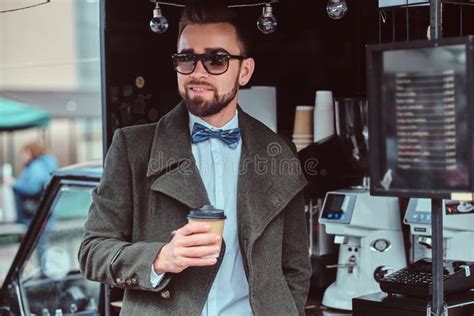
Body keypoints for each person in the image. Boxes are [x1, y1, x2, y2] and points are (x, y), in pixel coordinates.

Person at [78, 1, 311, 315]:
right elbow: (92, 252)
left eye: (216, 59)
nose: (198, 72)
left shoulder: (278, 151)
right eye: (187, 58)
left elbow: (295, 267)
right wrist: (160, 258)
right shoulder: (133, 147)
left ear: (244, 71)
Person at [11, 141, 58, 225]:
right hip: (41, 214)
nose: (22, 157)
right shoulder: (43, 165)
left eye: (24, 153)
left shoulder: (36, 167)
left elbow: (32, 188)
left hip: (32, 215)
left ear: (30, 152)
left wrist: (14, 183)